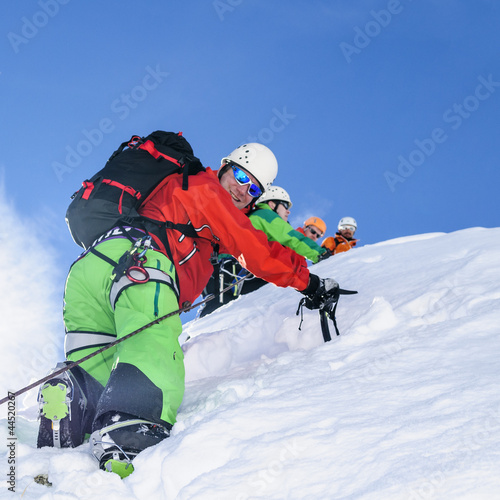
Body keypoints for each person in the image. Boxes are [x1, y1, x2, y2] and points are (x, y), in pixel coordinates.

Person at [36, 141, 341, 478]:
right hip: (142, 265)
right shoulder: (206, 190)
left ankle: (70, 398)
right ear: (224, 167)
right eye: (240, 175)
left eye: (253, 187)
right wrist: (308, 282)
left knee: (96, 360)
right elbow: (256, 249)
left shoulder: (176, 189)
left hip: (91, 267)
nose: (242, 189)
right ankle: (130, 433)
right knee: (153, 350)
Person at [198, 186, 331, 317]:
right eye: (285, 205)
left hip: (222, 271)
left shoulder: (256, 217)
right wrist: (320, 253)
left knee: (215, 312)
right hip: (233, 270)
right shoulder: (266, 215)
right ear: (272, 204)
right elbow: (292, 237)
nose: (288, 211)